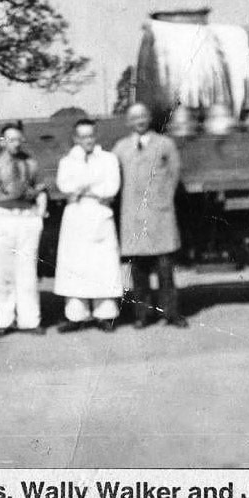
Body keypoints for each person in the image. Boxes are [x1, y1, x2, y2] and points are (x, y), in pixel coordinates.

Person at [112, 103, 187, 328]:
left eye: (143, 115)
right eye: (134, 117)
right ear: (128, 122)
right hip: (133, 218)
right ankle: (142, 315)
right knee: (139, 272)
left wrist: (162, 200)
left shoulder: (165, 144)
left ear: (150, 118)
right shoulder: (120, 148)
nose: (140, 120)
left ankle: (171, 314)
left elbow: (174, 176)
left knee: (165, 269)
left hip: (160, 216)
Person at [0, 122, 47, 338]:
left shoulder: (31, 164)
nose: (15, 144)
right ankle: (3, 320)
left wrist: (39, 214)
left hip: (26, 218)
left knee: (27, 271)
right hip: (0, 219)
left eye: (18, 139)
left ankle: (30, 320)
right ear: (2, 141)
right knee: (2, 272)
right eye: (11, 139)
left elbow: (41, 191)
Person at [54, 119, 123, 333]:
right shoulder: (67, 161)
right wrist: (92, 184)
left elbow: (111, 187)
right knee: (75, 265)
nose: (88, 140)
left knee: (102, 264)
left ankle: (105, 315)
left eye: (91, 135)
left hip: (100, 214)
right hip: (76, 215)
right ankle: (76, 315)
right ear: (75, 138)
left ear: (96, 136)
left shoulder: (109, 159)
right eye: (83, 136)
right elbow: (64, 185)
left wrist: (81, 187)